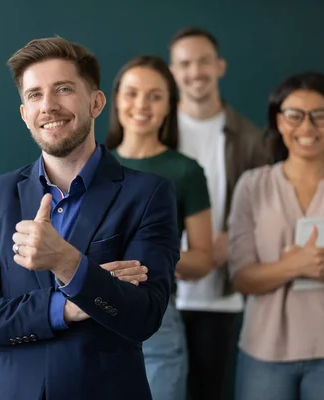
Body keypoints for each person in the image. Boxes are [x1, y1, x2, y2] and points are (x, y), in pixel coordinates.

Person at [0, 37, 180, 400]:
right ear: (24, 114)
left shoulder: (148, 195)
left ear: (96, 102)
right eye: (35, 95)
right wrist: (63, 308)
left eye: (64, 89)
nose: (49, 106)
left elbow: (143, 316)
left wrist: (67, 263)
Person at [229, 71, 324, 400]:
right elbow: (241, 277)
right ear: (278, 121)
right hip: (264, 351)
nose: (307, 127)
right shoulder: (252, 185)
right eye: (294, 115)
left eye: (320, 116)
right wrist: (293, 266)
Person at [168, 26, 268, 399]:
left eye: (204, 61)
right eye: (185, 63)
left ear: (220, 66)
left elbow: (267, 207)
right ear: (173, 71)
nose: (195, 71)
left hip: (221, 292)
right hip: (163, 291)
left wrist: (235, 241)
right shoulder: (157, 132)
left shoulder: (250, 137)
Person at [105, 54, 212, 399]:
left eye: (155, 96)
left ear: (169, 106)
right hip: (93, 310)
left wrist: (152, 254)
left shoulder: (186, 172)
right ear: (114, 99)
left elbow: (203, 259)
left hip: (157, 317)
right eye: (132, 93)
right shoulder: (90, 164)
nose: (142, 105)